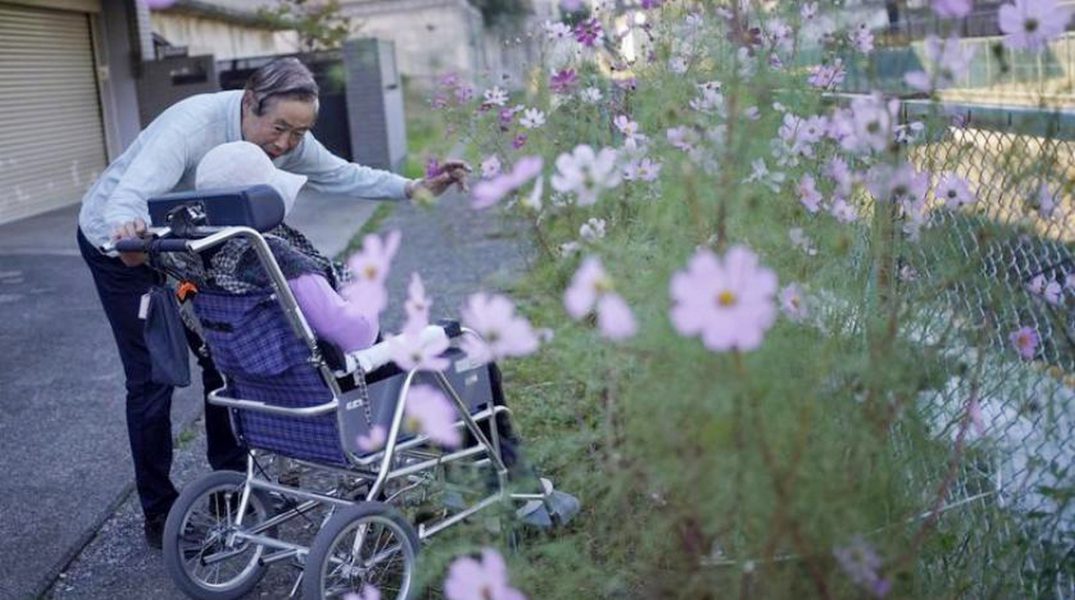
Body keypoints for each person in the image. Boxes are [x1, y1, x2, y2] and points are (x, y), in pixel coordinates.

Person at [76, 57, 468, 548]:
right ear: (249, 103)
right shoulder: (192, 127)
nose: (285, 144)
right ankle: (159, 512)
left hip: (198, 244)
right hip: (122, 244)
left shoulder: (285, 134)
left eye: (298, 134)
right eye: (279, 128)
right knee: (153, 378)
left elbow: (339, 173)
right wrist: (127, 232)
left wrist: (412, 188)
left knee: (224, 361)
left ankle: (233, 492)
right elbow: (129, 195)